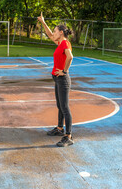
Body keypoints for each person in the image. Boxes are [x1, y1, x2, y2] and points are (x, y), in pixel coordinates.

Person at [37, 12, 74, 147]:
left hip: (63, 79)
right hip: (57, 78)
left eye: (55, 31)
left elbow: (70, 57)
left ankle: (68, 136)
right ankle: (59, 129)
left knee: (64, 107)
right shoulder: (60, 42)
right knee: (60, 105)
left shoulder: (65, 43)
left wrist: (64, 71)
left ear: (61, 32)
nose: (53, 33)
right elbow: (49, 35)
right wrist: (43, 22)